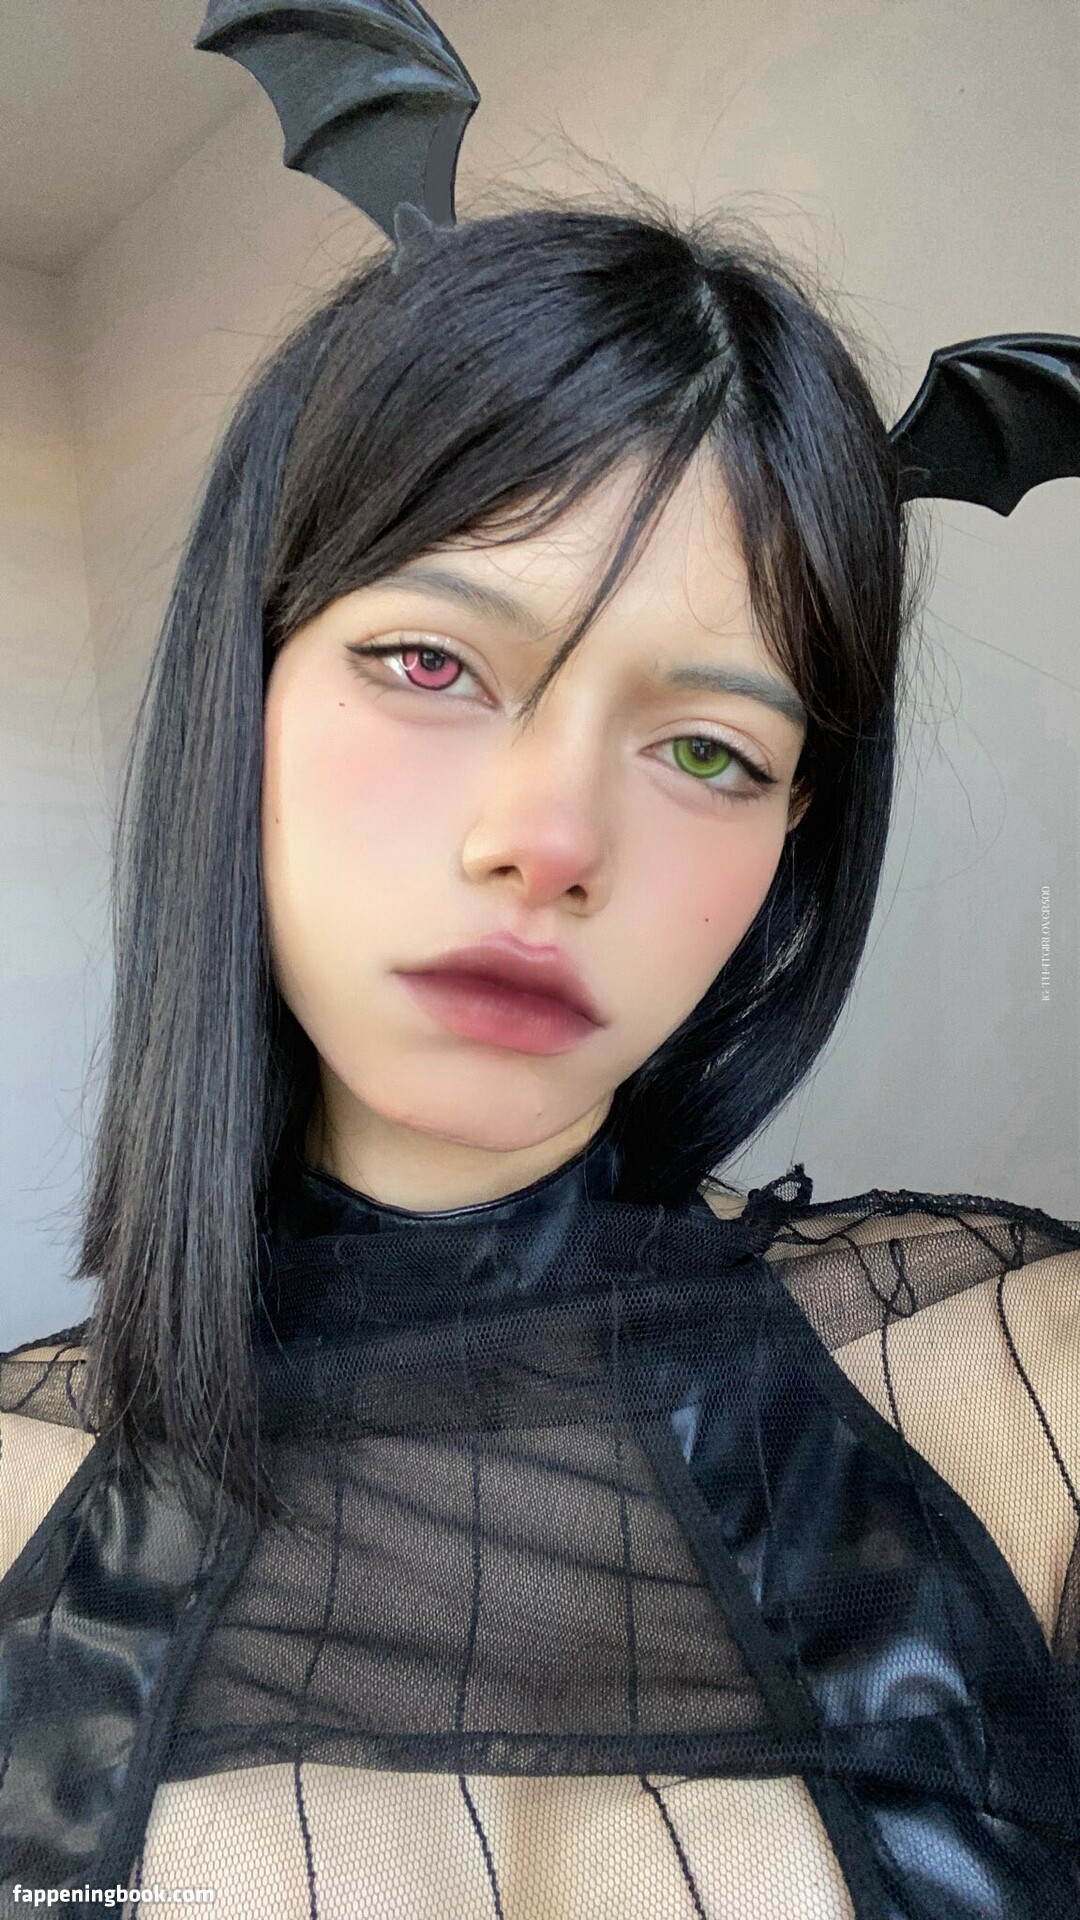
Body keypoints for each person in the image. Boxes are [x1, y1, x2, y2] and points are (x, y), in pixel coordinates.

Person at [0, 202, 1077, 1920]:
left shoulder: (1036, 1390)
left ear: (794, 837)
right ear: (243, 682)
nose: (552, 841)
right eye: (430, 661)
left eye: (709, 749)